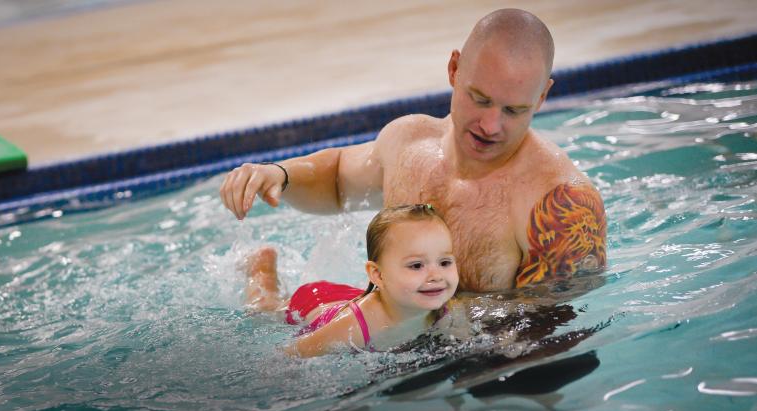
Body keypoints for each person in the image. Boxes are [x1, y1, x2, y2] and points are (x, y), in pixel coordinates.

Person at [220, 8, 607, 293]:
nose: (491, 125)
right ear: (454, 69)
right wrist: (281, 175)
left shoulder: (560, 203)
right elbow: (338, 180)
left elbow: (548, 328)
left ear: (541, 97)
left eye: (513, 110)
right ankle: (263, 278)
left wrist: (423, 313)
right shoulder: (409, 141)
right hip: (394, 335)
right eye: (479, 98)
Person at [243, 204, 459, 357]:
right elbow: (289, 356)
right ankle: (262, 268)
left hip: (353, 295)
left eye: (445, 262)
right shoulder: (354, 327)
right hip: (313, 302)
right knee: (265, 308)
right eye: (416, 266)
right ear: (378, 275)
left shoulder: (445, 307)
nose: (436, 276)